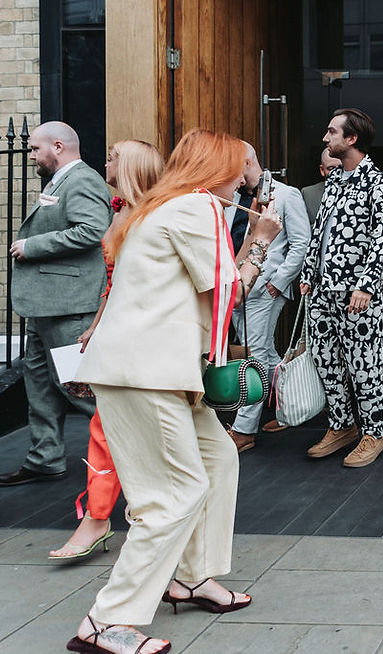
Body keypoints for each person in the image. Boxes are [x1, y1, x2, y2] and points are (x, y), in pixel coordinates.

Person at [68, 129, 282, 653]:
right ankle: (106, 621)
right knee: (172, 496)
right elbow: (229, 292)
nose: (245, 176)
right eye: (241, 165)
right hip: (150, 374)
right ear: (216, 169)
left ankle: (191, 577)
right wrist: (260, 241)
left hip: (150, 370)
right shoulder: (195, 209)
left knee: (217, 460)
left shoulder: (161, 207)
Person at [48, 140, 164, 560]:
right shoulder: (119, 209)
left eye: (113, 157)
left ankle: (120, 517)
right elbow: (113, 284)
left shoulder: (153, 217)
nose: (105, 161)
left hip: (142, 337)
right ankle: (100, 518)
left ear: (131, 166)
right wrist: (95, 328)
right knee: (106, 426)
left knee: (124, 428)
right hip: (115, 332)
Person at [1, 121, 111, 486]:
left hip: (69, 305)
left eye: (35, 149)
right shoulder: (60, 180)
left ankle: (124, 451)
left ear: (59, 147)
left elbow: (92, 230)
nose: (32, 155)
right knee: (39, 385)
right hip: (44, 305)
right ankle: (44, 458)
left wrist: (32, 246)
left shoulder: (81, 180)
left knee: (77, 387)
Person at [300, 108, 383, 468]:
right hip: (322, 290)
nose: (326, 138)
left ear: (351, 139)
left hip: (357, 294)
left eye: (332, 132)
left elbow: (382, 237)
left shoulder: (378, 182)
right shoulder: (335, 179)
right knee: (325, 359)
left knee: (364, 364)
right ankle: (341, 426)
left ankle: (373, 433)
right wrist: (309, 273)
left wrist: (367, 285)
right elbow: (319, 230)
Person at [225, 141, 311, 451]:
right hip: (233, 288)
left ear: (246, 162)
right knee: (266, 354)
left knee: (255, 355)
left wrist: (278, 282)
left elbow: (301, 244)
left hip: (265, 289)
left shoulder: (287, 195)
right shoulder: (229, 196)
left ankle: (244, 429)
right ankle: (292, 405)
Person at [301, 147, 342, 223]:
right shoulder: (309, 194)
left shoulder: (359, 192)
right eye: (331, 168)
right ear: (322, 170)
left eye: (341, 167)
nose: (336, 172)